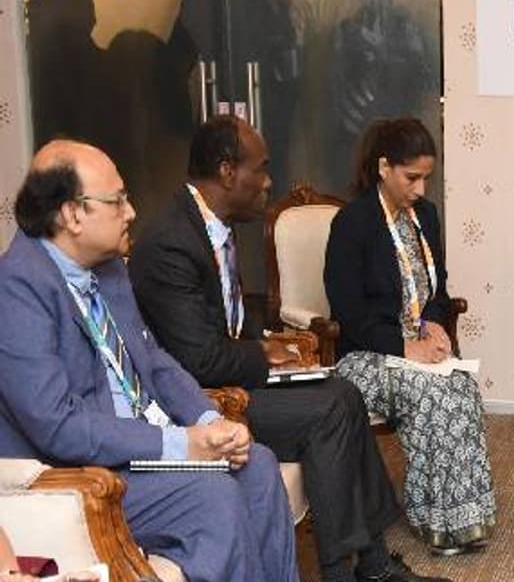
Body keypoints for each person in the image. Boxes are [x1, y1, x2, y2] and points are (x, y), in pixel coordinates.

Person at [127, 116, 442, 582]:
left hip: (231, 375)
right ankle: (345, 572)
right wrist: (260, 354)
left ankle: (372, 567)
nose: (269, 181)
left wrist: (266, 342)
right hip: (203, 399)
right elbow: (198, 359)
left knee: (343, 392)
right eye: (261, 168)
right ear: (228, 171)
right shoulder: (171, 243)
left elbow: (226, 318)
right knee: (329, 410)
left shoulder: (211, 226)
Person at [0, 140, 297, 582]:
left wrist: (208, 420)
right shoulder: (16, 289)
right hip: (83, 473)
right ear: (72, 214)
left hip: (140, 452)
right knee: (213, 497)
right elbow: (57, 425)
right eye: (117, 201)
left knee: (258, 467)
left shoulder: (108, 268)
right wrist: (180, 445)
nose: (132, 212)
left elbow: (153, 360)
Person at [324, 118, 496, 553]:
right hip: (365, 355)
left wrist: (434, 322)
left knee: (461, 386)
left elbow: (437, 290)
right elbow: (350, 314)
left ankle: (467, 519)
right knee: (431, 393)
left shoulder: (426, 217)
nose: (420, 189)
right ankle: (435, 522)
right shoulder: (352, 223)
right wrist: (406, 348)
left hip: (414, 349)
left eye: (426, 179)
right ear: (384, 167)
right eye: (412, 177)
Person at [166, 0, 299, 192]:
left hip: (218, 120)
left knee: (216, 200)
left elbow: (174, 66)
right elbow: (290, 77)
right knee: (265, 200)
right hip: (265, 125)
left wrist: (182, 129)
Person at [328, 0, 432, 190]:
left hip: (396, 132)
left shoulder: (404, 25)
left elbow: (422, 77)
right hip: (353, 132)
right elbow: (335, 84)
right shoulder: (346, 27)